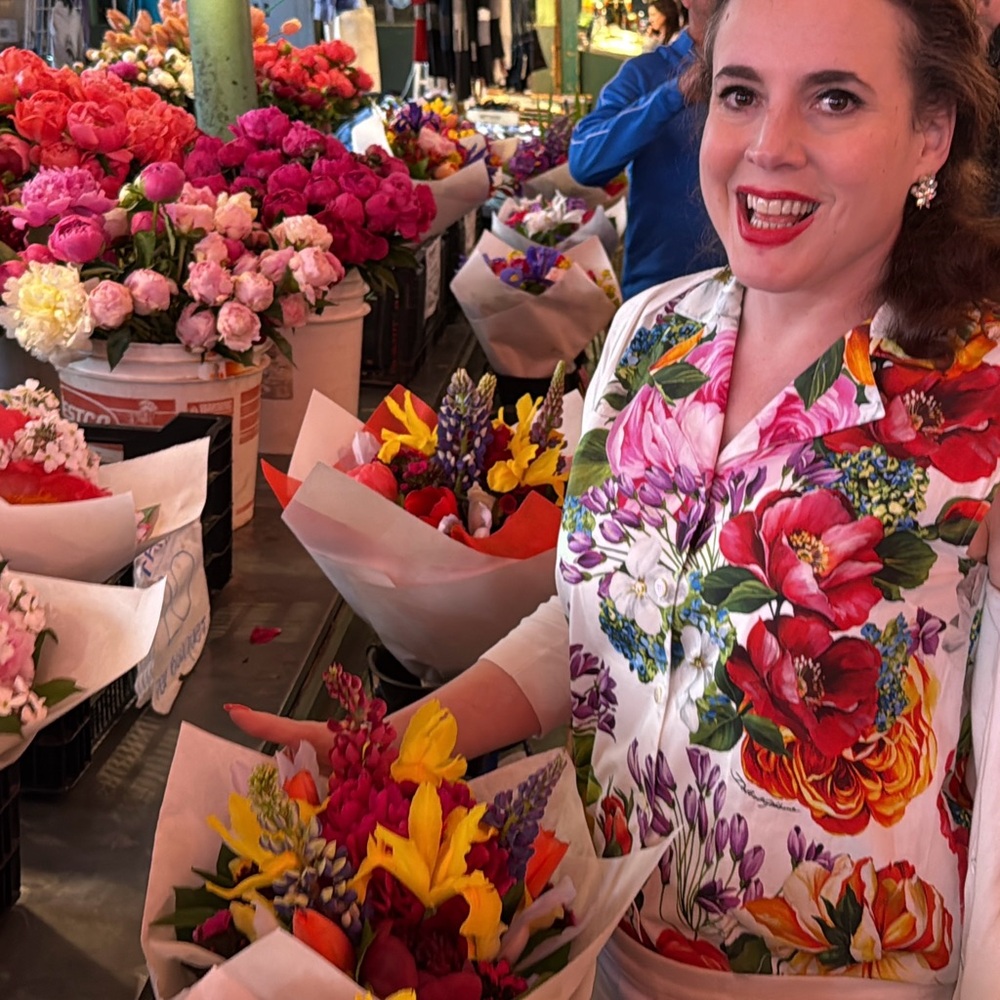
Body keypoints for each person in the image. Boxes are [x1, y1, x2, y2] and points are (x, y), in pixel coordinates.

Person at [231, 0, 1000, 996]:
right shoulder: (650, 333)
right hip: (595, 954)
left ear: (931, 131)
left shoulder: (977, 393)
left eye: (835, 100)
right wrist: (394, 746)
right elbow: (600, 624)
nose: (769, 146)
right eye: (740, 94)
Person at [569, 0, 725, 300]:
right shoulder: (644, 74)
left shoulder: (770, 77)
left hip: (752, 293)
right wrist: (673, 95)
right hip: (660, 292)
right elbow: (584, 161)